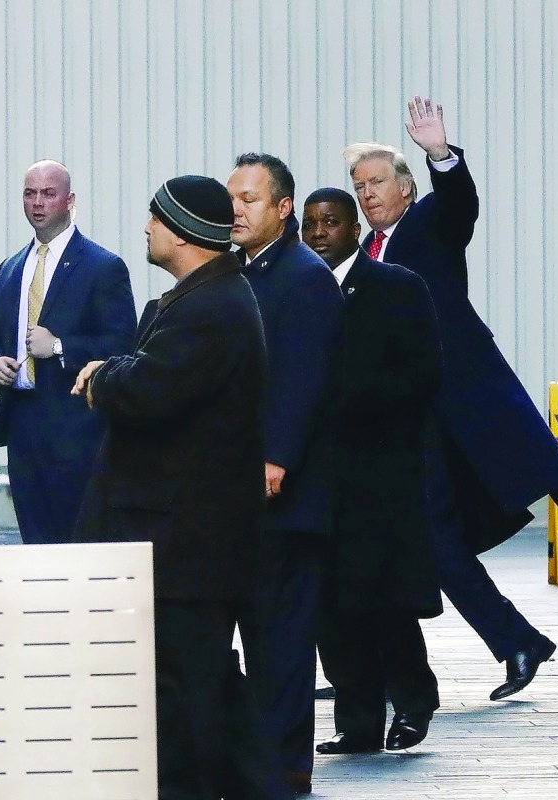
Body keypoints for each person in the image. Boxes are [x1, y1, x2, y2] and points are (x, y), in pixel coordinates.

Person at [345, 96, 558, 701]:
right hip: (398, 421)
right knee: (427, 540)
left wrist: (440, 154)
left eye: (377, 182)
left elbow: (460, 206)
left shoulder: (427, 225)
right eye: (359, 185)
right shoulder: (364, 253)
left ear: (405, 187)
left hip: (445, 412)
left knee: (428, 536)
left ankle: (494, 645)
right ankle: (509, 642)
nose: (367, 194)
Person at [71, 175, 277, 800]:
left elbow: (150, 389)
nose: (146, 228)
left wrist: (103, 377)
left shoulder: (210, 309)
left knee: (185, 690)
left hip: (188, 540)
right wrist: (119, 371)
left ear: (184, 233)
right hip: (187, 538)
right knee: (205, 681)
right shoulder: (206, 299)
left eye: (156, 218)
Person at [301, 188, 444, 755]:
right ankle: (357, 721)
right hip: (317, 476)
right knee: (331, 605)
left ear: (355, 229)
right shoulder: (298, 290)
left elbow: (424, 374)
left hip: (380, 474)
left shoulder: (397, 286)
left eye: (331, 222)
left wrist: (351, 402)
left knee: (384, 600)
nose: (319, 233)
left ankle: (413, 702)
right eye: (311, 223)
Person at [228, 153, 344, 794]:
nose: (236, 210)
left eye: (249, 199)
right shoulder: (244, 270)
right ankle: (263, 756)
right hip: (247, 491)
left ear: (282, 208)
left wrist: (277, 458)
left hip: (286, 492)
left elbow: (303, 378)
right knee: (261, 629)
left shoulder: (301, 276)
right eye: (231, 198)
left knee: (283, 634)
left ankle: (286, 764)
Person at [0, 159, 136, 544]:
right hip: (22, 427)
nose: (37, 202)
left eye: (48, 193)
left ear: (69, 200)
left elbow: (122, 345)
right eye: (29, 193)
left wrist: (60, 347)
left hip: (76, 428)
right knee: (36, 544)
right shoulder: (11, 268)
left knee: (77, 544)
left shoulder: (102, 267)